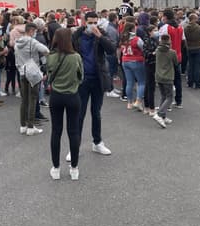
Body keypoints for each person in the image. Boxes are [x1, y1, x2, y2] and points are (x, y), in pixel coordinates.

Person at [71, 11, 114, 158]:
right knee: (79, 114)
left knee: (96, 113)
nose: (93, 25)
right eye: (90, 22)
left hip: (98, 79)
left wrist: (100, 37)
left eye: (95, 22)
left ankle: (97, 142)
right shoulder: (77, 35)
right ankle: (74, 146)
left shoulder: (101, 33)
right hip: (81, 80)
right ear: (84, 22)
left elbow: (111, 50)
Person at [48, 28, 83, 180]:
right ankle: (74, 168)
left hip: (56, 95)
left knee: (56, 131)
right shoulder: (76, 57)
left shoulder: (51, 56)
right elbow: (81, 77)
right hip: (72, 96)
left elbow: (49, 74)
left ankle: (56, 168)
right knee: (73, 132)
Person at [15, 23, 50, 135]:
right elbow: (45, 50)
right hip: (33, 71)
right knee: (33, 99)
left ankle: (23, 125)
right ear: (31, 31)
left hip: (22, 71)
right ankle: (31, 126)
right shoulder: (32, 42)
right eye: (34, 31)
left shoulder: (17, 42)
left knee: (24, 100)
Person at [158, 9, 184, 108]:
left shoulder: (165, 27)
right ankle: (179, 101)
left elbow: (161, 41)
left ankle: (167, 103)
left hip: (167, 56)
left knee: (167, 80)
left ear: (165, 17)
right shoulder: (180, 27)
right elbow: (183, 40)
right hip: (178, 55)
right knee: (177, 80)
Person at [120, 22, 146, 111]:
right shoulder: (136, 39)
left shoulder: (123, 39)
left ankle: (129, 102)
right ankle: (138, 101)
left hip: (125, 60)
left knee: (129, 82)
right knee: (141, 82)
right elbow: (143, 48)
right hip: (136, 60)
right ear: (132, 29)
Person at [153, 34, 178, 128]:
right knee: (170, 97)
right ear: (169, 41)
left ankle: (163, 116)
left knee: (163, 96)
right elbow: (176, 63)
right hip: (168, 76)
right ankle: (160, 114)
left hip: (158, 75)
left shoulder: (157, 50)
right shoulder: (172, 52)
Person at [184, 13, 200, 89]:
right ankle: (197, 83)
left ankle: (190, 82)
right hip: (199, 47)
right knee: (197, 66)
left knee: (190, 65)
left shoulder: (185, 28)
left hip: (189, 47)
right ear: (194, 19)